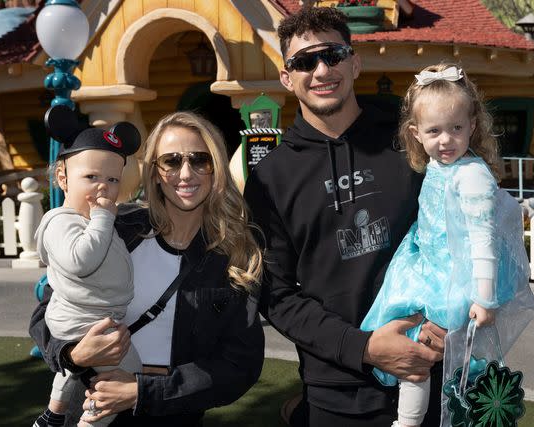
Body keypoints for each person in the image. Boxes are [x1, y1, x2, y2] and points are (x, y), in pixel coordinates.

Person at [243, 7, 446, 427]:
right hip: (337, 393)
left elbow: (458, 232)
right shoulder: (269, 178)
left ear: (355, 61)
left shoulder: (410, 139)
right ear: (287, 78)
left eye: (332, 54)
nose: (320, 70)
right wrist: (365, 347)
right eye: (303, 61)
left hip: (435, 369)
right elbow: (276, 295)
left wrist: (451, 318)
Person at [30, 111, 264, 427]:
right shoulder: (115, 229)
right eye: (171, 161)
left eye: (200, 160)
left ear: (216, 168)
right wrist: (73, 353)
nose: (186, 173)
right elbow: (46, 310)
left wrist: (141, 391)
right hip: (86, 410)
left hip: (172, 415)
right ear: (154, 172)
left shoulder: (235, 255)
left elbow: (239, 366)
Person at [360, 63, 534, 427]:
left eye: (456, 128)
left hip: (457, 277)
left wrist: (484, 297)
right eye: (434, 131)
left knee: (421, 351)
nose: (446, 140)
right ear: (416, 133)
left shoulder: (471, 176)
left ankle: (411, 420)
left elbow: (483, 240)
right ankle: (410, 418)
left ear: (472, 125)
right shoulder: (439, 167)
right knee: (413, 348)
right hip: (428, 265)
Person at [33, 105, 142, 427]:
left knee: (85, 366)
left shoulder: (94, 221)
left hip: (95, 315)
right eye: (91, 177)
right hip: (84, 318)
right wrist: (104, 218)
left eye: (112, 179)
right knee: (125, 378)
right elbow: (81, 261)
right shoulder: (62, 222)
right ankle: (89, 421)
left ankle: (53, 413)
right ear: (63, 179)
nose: (103, 187)